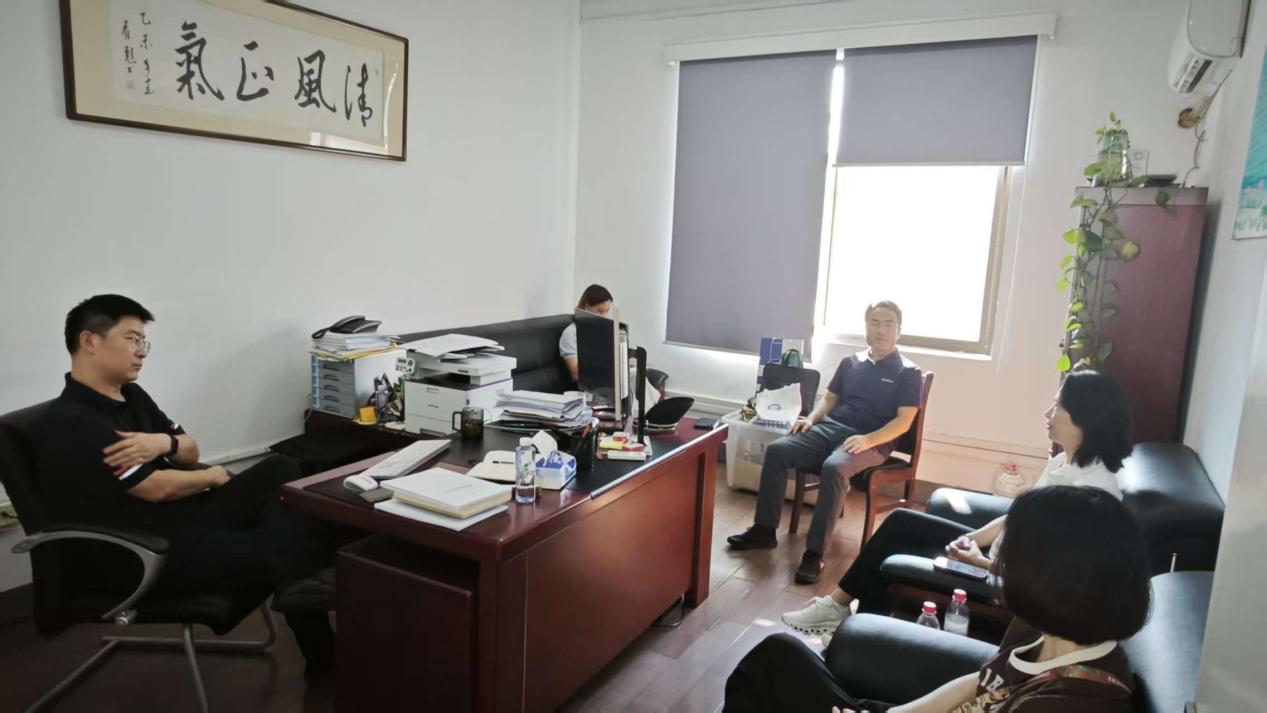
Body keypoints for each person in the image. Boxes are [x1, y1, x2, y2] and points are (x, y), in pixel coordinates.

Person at [33, 295, 337, 677]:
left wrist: (164, 443)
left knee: (282, 468)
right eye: (132, 339)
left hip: (185, 519)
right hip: (147, 551)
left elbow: (191, 450)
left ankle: (298, 584)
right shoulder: (76, 422)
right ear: (89, 341)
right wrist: (211, 476)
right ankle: (321, 653)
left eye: (143, 341)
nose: (142, 352)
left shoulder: (131, 395)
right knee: (292, 546)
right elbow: (155, 487)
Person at [724, 485, 1152, 713]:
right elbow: (981, 681)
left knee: (767, 674)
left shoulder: (1072, 702)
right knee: (777, 656)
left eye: (1013, 555)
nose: (1003, 566)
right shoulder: (1046, 631)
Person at [780, 369, 1132, 637]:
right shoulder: (1063, 462)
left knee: (895, 549)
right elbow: (1017, 517)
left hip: (1003, 577)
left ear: (1085, 418)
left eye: (1058, 406)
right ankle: (841, 614)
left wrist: (984, 563)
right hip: (994, 554)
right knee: (902, 522)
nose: (1048, 413)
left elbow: (1055, 576)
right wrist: (970, 539)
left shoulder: (1093, 492)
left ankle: (849, 624)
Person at [727, 301, 922, 584]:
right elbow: (829, 399)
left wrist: (868, 439)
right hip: (830, 428)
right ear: (866, 327)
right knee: (778, 451)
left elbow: (904, 421)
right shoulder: (851, 363)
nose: (881, 330)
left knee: (835, 467)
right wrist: (810, 419)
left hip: (870, 441)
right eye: (875, 323)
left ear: (899, 331)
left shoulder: (908, 372)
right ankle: (764, 530)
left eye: (888, 324)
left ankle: (815, 553)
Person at [559, 283, 614, 383]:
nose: (604, 317)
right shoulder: (571, 333)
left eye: (606, 311)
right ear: (587, 306)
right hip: (589, 386)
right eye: (600, 311)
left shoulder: (603, 330)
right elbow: (576, 374)